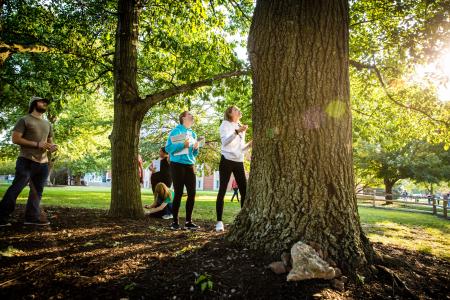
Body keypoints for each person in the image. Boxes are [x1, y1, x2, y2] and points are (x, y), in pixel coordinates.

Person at [0, 96, 58, 226]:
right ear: (34, 103)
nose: (45, 104)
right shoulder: (24, 120)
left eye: (45, 103)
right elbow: (15, 139)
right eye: (42, 102)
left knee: (37, 191)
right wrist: (37, 144)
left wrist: (52, 147)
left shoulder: (48, 124)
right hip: (26, 161)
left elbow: (49, 142)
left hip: (43, 163)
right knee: (16, 188)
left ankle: (31, 218)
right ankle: (1, 216)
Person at [215, 106, 252, 232]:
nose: (239, 110)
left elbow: (241, 148)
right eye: (236, 109)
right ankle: (219, 222)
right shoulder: (225, 125)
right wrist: (237, 131)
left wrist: (249, 145)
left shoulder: (241, 126)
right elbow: (225, 142)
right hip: (226, 159)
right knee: (222, 190)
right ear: (230, 113)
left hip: (238, 161)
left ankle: (243, 221)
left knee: (244, 191)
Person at [165, 111, 200, 230]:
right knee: (178, 193)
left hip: (190, 165)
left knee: (192, 193)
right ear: (183, 118)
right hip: (177, 165)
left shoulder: (193, 133)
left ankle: (188, 222)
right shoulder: (176, 131)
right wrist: (182, 145)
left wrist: (196, 148)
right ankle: (175, 222)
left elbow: (194, 153)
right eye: (189, 114)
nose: (192, 116)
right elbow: (168, 148)